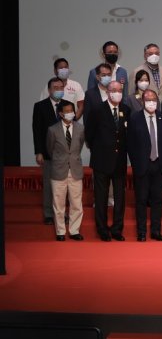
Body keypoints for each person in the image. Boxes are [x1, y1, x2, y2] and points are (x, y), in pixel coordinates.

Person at [84, 79, 128, 241]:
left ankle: (117, 229)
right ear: (108, 92)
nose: (117, 93)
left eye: (120, 91)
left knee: (119, 198)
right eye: (114, 90)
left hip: (120, 161)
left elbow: (127, 135)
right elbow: (89, 134)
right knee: (101, 197)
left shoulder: (126, 110)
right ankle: (102, 229)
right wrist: (99, 149)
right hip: (101, 161)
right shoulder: (97, 110)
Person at [126, 89, 162, 241]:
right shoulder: (134, 118)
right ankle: (142, 232)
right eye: (148, 100)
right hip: (142, 165)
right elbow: (130, 143)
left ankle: (156, 231)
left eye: (154, 100)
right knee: (141, 200)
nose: (151, 102)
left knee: (157, 200)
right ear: (142, 102)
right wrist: (136, 164)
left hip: (159, 164)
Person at [46, 100, 85, 241]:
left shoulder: (80, 128)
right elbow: (50, 149)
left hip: (75, 169)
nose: (70, 113)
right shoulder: (52, 130)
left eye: (72, 111)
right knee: (59, 203)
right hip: (58, 170)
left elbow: (79, 146)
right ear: (61, 114)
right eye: (67, 111)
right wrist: (60, 160)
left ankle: (74, 231)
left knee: (76, 203)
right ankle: (60, 232)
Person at [33, 77, 64, 225]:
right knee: (48, 184)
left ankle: (62, 213)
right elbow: (37, 130)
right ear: (49, 90)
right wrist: (38, 151)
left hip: (64, 153)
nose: (59, 90)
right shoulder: (40, 106)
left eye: (61, 87)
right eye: (55, 88)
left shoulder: (68, 105)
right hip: (47, 152)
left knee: (63, 186)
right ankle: (48, 214)